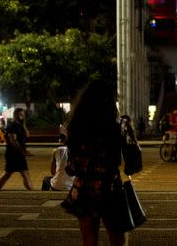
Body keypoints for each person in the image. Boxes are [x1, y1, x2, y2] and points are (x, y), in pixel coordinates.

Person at [61, 79, 128, 246]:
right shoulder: (116, 126)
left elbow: (71, 167)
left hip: (84, 188)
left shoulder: (76, 126)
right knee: (118, 238)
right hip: (110, 186)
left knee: (89, 240)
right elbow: (132, 162)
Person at [0, 107, 34, 190]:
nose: (22, 117)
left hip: (18, 153)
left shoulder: (20, 125)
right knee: (11, 173)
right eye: (20, 115)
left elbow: (27, 135)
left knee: (22, 173)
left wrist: (24, 124)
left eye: (23, 115)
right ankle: (32, 191)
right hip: (13, 153)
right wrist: (23, 151)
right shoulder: (13, 125)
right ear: (15, 115)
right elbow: (13, 140)